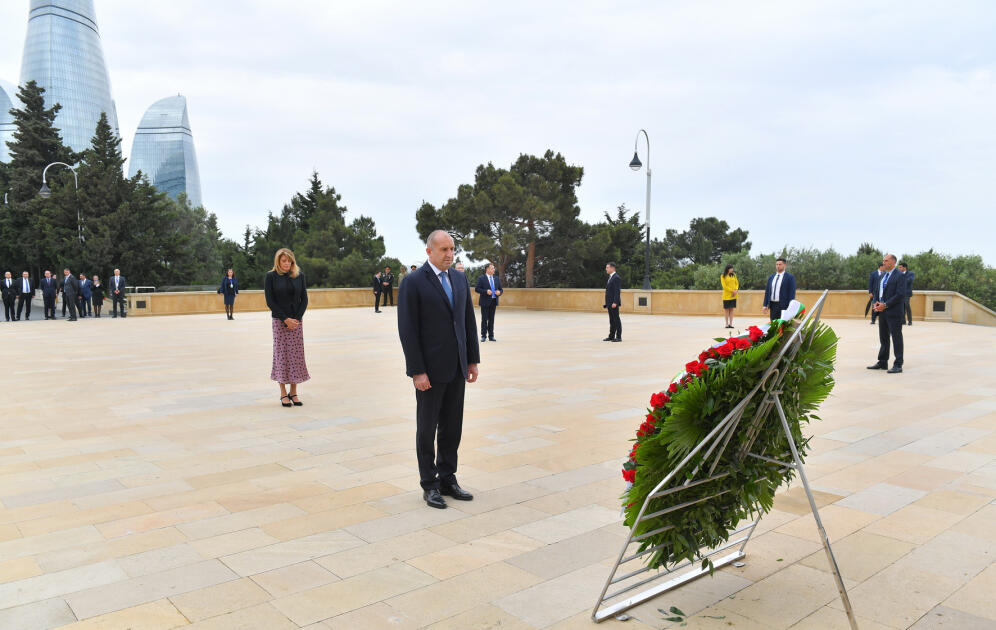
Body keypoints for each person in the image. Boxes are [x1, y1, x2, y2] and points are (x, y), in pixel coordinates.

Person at [398, 230, 480, 509]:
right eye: (443, 249)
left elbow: (468, 321)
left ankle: (448, 478)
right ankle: (429, 484)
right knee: (427, 429)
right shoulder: (413, 282)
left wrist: (472, 360)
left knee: (452, 427)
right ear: (429, 251)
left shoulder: (458, 278)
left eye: (452, 249)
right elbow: (408, 330)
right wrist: (417, 371)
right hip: (429, 372)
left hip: (456, 367)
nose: (449, 254)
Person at [264, 248, 310, 407]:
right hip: (279, 321)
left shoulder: (299, 275)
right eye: (284, 261)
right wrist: (285, 319)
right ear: (278, 261)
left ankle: (294, 391)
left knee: (296, 356)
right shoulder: (271, 276)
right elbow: (270, 301)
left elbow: (304, 299)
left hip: (296, 322)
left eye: (289, 261)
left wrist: (296, 319)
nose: (286, 264)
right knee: (282, 355)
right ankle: (283, 393)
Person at [868, 254, 905, 374]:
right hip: (882, 312)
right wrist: (876, 303)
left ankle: (898, 364)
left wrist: (886, 304)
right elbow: (877, 291)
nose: (883, 262)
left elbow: (900, 294)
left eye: (886, 260)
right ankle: (883, 361)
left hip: (894, 312)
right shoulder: (883, 275)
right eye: (883, 260)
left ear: (893, 262)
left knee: (896, 338)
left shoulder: (899, 276)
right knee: (883, 338)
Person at [475, 262, 503, 342]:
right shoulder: (481, 278)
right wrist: (486, 291)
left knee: (491, 319)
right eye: (492, 268)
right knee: (484, 319)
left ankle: (491, 336)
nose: (494, 270)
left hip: (494, 301)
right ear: (487, 269)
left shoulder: (496, 278)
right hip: (485, 302)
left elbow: (501, 289)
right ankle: (483, 336)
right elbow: (477, 289)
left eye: (494, 268)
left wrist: (499, 292)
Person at [762, 257, 796, 322]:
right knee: (773, 324)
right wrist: (765, 305)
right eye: (777, 264)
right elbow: (767, 292)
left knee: (783, 325)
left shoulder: (790, 277)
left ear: (785, 265)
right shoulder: (771, 277)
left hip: (784, 306)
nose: (778, 266)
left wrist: (790, 307)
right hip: (773, 305)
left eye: (780, 264)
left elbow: (792, 293)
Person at [604, 262, 622, 342]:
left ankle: (618, 337)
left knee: (616, 320)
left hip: (614, 303)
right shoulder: (611, 277)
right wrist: (607, 303)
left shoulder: (616, 277)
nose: (606, 269)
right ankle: (611, 336)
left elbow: (617, 291)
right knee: (611, 320)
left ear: (612, 268)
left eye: (607, 267)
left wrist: (615, 302)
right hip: (609, 303)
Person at [720, 264, 738, 329]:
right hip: (726, 296)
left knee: (732, 310)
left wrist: (736, 290)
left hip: (734, 295)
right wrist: (732, 291)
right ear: (727, 269)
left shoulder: (734, 275)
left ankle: (731, 324)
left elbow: (737, 283)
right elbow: (724, 286)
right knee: (726, 310)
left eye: (732, 268)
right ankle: (726, 324)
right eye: (731, 268)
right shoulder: (723, 276)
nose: (732, 270)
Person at [898, 262, 914, 326]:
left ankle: (910, 321)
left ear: (905, 267)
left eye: (900, 267)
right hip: (900, 293)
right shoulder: (898, 274)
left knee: (907, 306)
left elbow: (909, 281)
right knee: (901, 307)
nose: (899, 268)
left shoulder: (911, 274)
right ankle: (903, 321)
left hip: (907, 293)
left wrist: (902, 278)